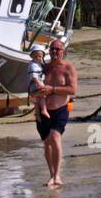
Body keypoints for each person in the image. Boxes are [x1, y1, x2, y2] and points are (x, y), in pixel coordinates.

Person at [33, 38, 77, 187]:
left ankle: (57, 175)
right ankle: (51, 174)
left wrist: (53, 89)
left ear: (63, 52)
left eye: (57, 49)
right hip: (42, 111)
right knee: (47, 143)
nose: (54, 52)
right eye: (52, 49)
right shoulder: (43, 68)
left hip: (60, 110)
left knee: (55, 137)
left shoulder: (68, 69)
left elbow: (72, 89)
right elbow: (32, 86)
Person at [27, 44, 49, 123]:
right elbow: (34, 76)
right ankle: (44, 109)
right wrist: (40, 84)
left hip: (35, 84)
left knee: (37, 100)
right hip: (36, 84)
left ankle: (37, 114)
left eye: (40, 56)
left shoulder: (38, 63)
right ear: (32, 56)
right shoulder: (33, 65)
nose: (38, 58)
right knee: (43, 96)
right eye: (36, 57)